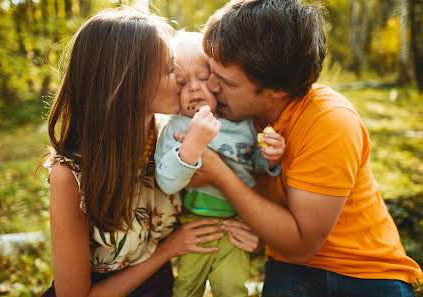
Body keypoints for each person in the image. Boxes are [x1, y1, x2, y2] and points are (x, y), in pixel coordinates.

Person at [175, 0, 423, 296]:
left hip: (362, 273)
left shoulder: (329, 122)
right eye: (209, 71)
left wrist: (219, 173)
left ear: (278, 89)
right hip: (288, 263)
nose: (210, 88)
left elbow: (301, 245)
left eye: (225, 81)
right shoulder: (234, 115)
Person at [37, 8, 229, 297]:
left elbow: (232, 178)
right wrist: (166, 251)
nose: (180, 78)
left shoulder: (175, 138)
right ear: (127, 84)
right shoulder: (71, 176)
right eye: (169, 70)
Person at [154, 31, 284, 297]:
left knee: (231, 287)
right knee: (187, 288)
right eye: (181, 82)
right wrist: (192, 144)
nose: (193, 87)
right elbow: (166, 181)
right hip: (196, 225)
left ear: (216, 83)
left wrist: (271, 157)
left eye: (202, 78)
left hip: (238, 224)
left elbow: (252, 162)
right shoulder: (177, 126)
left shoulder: (240, 122)